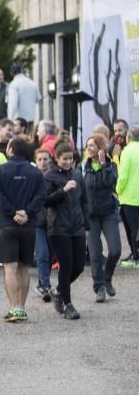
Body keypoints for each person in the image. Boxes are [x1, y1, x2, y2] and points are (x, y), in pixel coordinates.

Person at [0, 137, 46, 323]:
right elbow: (41, 197)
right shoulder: (36, 172)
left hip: (6, 225)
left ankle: (13, 307)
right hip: (28, 225)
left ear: (11, 149)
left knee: (9, 267)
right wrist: (27, 213)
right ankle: (22, 308)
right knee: (24, 268)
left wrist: (12, 212)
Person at [44, 143, 89, 320]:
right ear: (57, 158)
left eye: (71, 158)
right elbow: (46, 201)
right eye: (65, 159)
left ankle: (58, 290)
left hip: (76, 226)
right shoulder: (49, 176)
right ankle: (67, 304)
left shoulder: (77, 174)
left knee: (78, 267)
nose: (69, 162)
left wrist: (86, 222)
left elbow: (84, 200)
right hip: (58, 227)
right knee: (66, 265)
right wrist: (63, 190)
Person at [82, 134, 119, 302]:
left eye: (92, 146)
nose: (88, 149)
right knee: (95, 254)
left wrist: (104, 164)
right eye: (87, 146)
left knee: (115, 250)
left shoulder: (110, 165)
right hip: (91, 216)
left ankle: (107, 277)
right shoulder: (83, 167)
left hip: (108, 212)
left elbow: (110, 182)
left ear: (100, 148)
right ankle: (99, 287)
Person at [32, 148, 54, 299]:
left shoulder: (55, 176)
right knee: (43, 253)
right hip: (38, 221)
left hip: (54, 221)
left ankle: (42, 281)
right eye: (39, 159)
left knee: (51, 255)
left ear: (50, 160)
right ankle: (45, 285)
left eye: (45, 159)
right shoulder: (33, 177)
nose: (42, 162)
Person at [116, 126, 139, 269]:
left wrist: (118, 190)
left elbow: (123, 175)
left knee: (132, 229)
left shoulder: (127, 151)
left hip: (129, 197)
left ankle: (136, 257)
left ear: (128, 138)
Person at [6, 63, 42, 130]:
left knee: (19, 139)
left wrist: (9, 120)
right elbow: (38, 98)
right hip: (31, 120)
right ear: (22, 70)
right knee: (29, 139)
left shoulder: (13, 85)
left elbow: (13, 105)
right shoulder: (32, 83)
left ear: (11, 73)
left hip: (18, 122)